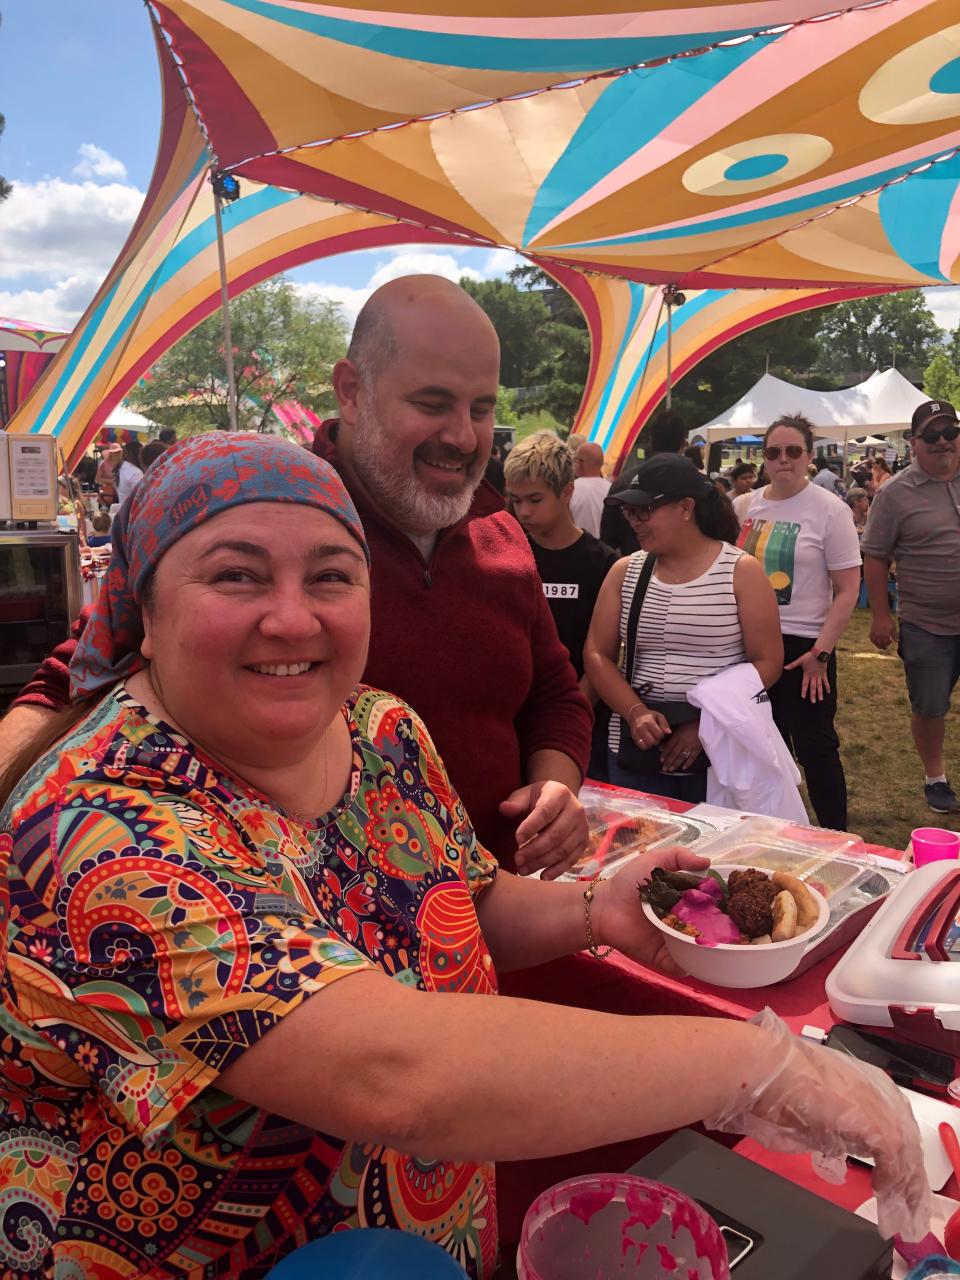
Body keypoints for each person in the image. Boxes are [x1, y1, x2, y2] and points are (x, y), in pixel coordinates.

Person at [0, 433, 931, 1279]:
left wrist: (589, 908)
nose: (293, 619)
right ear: (142, 606)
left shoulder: (379, 727)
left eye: (331, 575)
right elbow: (395, 1074)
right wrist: (770, 1069)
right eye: (237, 577)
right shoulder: (93, 828)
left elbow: (459, 904)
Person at [0, 278, 592, 879]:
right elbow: (75, 675)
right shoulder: (272, 512)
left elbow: (553, 690)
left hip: (498, 906)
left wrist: (555, 788)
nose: (463, 437)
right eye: (433, 404)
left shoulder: (504, 532)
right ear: (352, 392)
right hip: (291, 921)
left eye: (481, 408)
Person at [585, 454, 783, 803]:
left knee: (714, 856)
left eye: (643, 511)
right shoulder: (624, 571)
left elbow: (766, 661)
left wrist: (705, 726)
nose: (634, 522)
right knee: (640, 851)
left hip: (720, 756)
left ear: (686, 507)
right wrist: (636, 713)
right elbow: (597, 653)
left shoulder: (741, 572)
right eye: (628, 512)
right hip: (636, 754)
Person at [735, 414, 862, 830]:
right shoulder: (743, 506)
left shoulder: (831, 510)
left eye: (794, 451)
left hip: (806, 647)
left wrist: (820, 653)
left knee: (816, 749)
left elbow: (847, 590)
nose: (784, 460)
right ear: (764, 458)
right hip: (748, 647)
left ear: (809, 456)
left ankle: (835, 837)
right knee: (762, 749)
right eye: (774, 452)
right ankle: (772, 832)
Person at [861, 399, 960, 814]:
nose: (943, 443)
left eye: (950, 433)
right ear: (914, 443)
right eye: (932, 436)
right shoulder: (895, 493)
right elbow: (875, 555)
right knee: (930, 705)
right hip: (927, 624)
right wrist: (881, 615)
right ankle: (934, 777)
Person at [504, 432, 618, 779]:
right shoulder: (505, 555)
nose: (523, 511)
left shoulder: (604, 563)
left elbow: (604, 653)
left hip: (582, 720)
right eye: (515, 500)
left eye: (535, 499)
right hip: (514, 718)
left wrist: (573, 713)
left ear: (567, 492)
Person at [600, 409, 689, 554]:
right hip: (689, 570)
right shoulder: (698, 485)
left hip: (633, 569)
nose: (637, 521)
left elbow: (608, 539)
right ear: (682, 444)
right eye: (631, 512)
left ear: (651, 439)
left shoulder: (623, 482)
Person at [569, 440, 611, 538]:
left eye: (575, 460)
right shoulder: (612, 489)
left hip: (575, 549)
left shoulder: (570, 490)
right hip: (605, 550)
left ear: (580, 462)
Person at [117, 440, 144, 505]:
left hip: (123, 508)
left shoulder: (123, 467)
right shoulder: (136, 472)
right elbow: (140, 496)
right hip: (131, 511)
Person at [94, 442, 121, 507]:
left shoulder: (122, 463)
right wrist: (111, 481)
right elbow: (97, 480)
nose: (116, 454)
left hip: (119, 493)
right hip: (107, 494)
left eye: (118, 452)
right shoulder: (104, 463)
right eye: (115, 452)